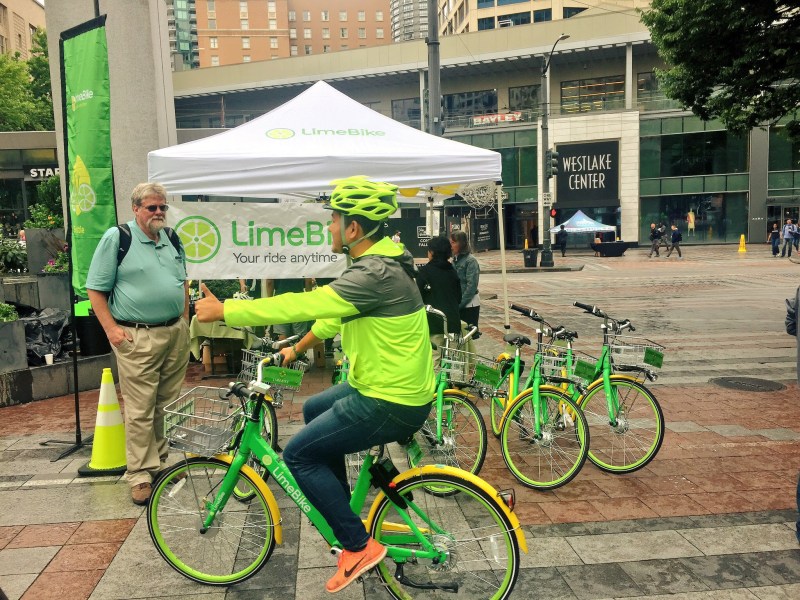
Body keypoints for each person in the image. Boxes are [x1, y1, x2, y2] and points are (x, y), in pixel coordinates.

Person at [194, 176, 434, 593]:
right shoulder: (381, 263)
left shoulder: (373, 272)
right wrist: (297, 347)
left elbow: (307, 302)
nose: (329, 227)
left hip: (390, 399)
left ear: (353, 229)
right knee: (312, 410)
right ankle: (343, 514)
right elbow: (333, 315)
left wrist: (227, 309)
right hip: (384, 388)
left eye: (333, 220)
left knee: (300, 455)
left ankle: (357, 546)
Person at [85, 183, 190, 506]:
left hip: (174, 333)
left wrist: (184, 319)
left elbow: (182, 281)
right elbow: (95, 289)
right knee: (141, 407)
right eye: (151, 208)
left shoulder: (172, 238)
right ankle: (141, 474)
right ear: (135, 209)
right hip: (137, 335)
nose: (158, 213)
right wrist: (112, 331)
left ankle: (160, 460)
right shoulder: (118, 239)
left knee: (167, 403)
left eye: (162, 207)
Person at [416, 235, 462, 350]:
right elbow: (458, 298)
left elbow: (417, 299)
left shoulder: (424, 272)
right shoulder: (452, 272)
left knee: (435, 362)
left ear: (432, 252)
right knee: (452, 363)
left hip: (433, 325)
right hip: (453, 324)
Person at [450, 230, 481, 327]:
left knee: (468, 335)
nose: (451, 245)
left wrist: (460, 304)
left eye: (454, 242)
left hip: (469, 305)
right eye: (451, 242)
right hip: (458, 302)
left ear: (461, 243)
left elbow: (471, 287)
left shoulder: (470, 261)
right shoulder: (454, 260)